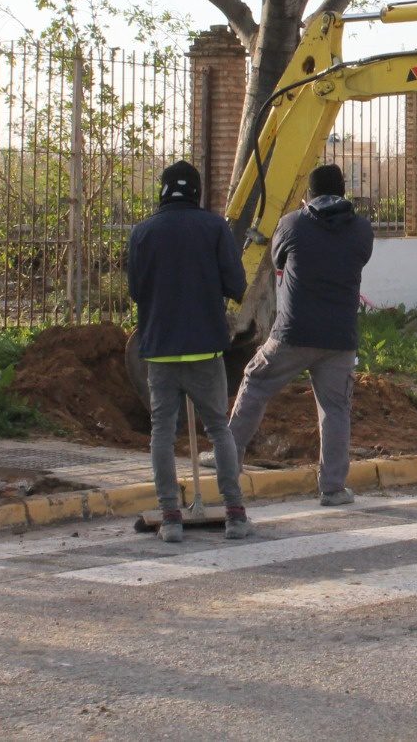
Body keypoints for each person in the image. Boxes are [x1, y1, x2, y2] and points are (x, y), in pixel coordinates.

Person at [226, 164, 374, 507]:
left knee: (255, 382)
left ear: (309, 194)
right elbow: (359, 260)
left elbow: (278, 259)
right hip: (339, 338)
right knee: (335, 409)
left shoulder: (292, 223)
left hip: (293, 333)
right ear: (343, 192)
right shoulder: (361, 230)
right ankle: (333, 488)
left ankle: (227, 464)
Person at [127, 160, 251, 544]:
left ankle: (171, 517)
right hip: (204, 351)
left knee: (162, 433)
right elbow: (237, 284)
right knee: (219, 429)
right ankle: (234, 513)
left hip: (160, 351)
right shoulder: (214, 228)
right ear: (197, 192)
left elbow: (135, 290)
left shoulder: (142, 232)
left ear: (163, 192)